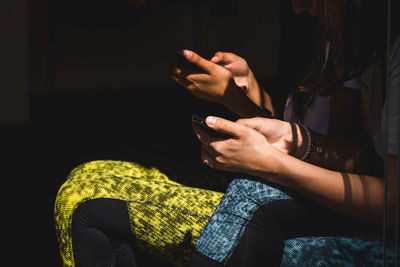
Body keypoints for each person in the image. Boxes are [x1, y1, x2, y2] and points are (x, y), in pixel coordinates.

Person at [54, 0, 392, 266]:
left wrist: (270, 158)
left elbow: (348, 157)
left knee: (84, 200)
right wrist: (239, 94)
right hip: (289, 185)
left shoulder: (361, 48)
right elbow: (304, 138)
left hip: (308, 202)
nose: (297, 7)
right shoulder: (335, 38)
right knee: (88, 175)